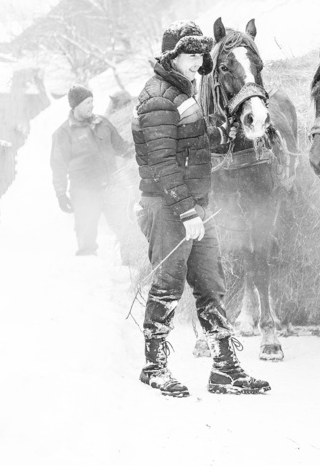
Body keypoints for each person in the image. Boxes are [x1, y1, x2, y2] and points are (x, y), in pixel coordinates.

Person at [132, 20, 269, 398]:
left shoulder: (183, 91)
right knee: (168, 286)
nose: (197, 63)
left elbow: (185, 142)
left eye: (199, 56)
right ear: (172, 57)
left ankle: (225, 369)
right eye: (191, 56)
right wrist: (187, 213)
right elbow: (163, 165)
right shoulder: (158, 97)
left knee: (211, 285)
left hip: (194, 205)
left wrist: (215, 134)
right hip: (168, 208)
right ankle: (154, 367)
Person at [50, 85, 133, 257]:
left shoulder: (103, 123)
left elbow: (122, 147)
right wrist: (60, 194)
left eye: (92, 101)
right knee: (86, 237)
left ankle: (130, 267)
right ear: (76, 105)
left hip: (111, 186)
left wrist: (142, 149)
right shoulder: (63, 133)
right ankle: (89, 272)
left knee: (127, 229)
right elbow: (58, 166)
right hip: (84, 191)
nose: (92, 105)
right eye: (87, 102)